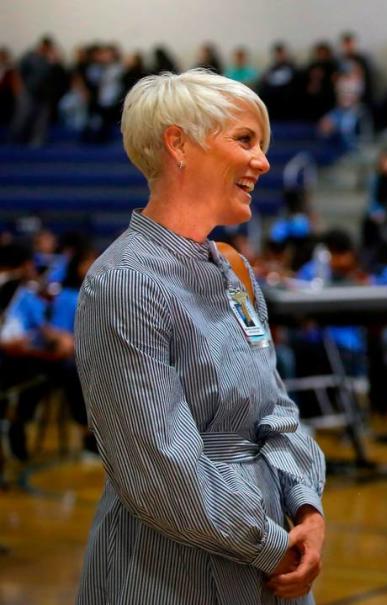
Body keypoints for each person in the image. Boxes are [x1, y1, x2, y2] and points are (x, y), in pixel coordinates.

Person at [74, 69, 327, 604]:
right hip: (168, 565)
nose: (262, 161)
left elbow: (276, 409)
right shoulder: (124, 282)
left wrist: (307, 507)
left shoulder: (233, 268)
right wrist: (271, 545)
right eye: (245, 140)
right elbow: (158, 464)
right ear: (178, 144)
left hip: (273, 548)